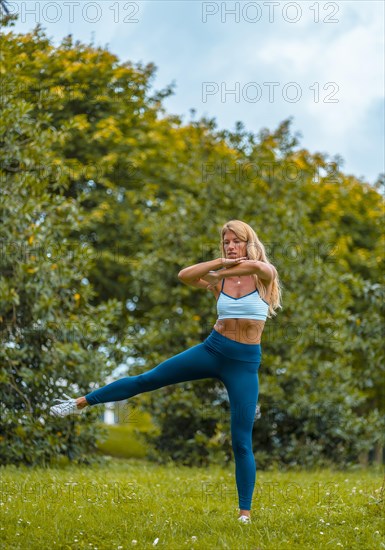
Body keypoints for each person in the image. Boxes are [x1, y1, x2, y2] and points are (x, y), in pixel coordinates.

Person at [50, 219, 282, 523]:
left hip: (244, 364)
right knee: (147, 379)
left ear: (248, 241)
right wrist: (221, 264)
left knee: (240, 439)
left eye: (235, 241)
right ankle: (79, 403)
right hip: (212, 350)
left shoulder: (264, 273)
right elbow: (184, 276)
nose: (230, 246)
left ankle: (244, 513)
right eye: (226, 242)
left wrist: (224, 268)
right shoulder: (220, 279)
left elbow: (257, 268)